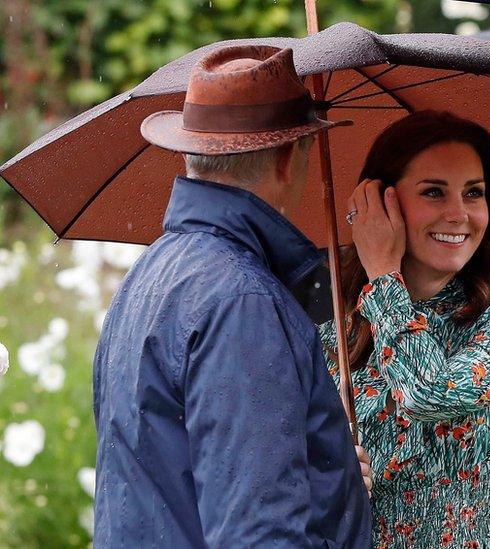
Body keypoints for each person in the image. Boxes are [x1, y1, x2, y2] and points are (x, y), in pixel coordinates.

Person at [93, 45, 372, 547]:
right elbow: (258, 531)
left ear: (191, 153)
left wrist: (331, 483)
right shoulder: (243, 301)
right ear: (289, 159)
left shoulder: (149, 273)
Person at [319, 110, 490, 548]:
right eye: (433, 192)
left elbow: (430, 394)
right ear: (379, 202)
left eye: (474, 193)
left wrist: (384, 273)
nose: (458, 213)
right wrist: (329, 483)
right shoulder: (333, 342)